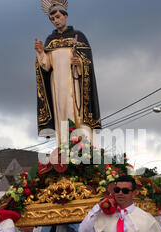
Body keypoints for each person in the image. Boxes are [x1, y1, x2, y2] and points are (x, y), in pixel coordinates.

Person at [35, 1, 101, 145]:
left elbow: (87, 61)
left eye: (58, 17)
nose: (56, 21)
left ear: (65, 16)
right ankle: (65, 152)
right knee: (62, 118)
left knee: (78, 115)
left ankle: (86, 152)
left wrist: (80, 63)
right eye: (52, 19)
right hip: (57, 87)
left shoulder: (78, 36)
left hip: (76, 83)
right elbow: (46, 66)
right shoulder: (50, 40)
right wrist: (41, 53)